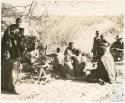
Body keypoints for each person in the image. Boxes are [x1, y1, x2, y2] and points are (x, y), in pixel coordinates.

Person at [1, 17, 24, 94]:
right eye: (18, 22)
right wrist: (12, 37)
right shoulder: (10, 28)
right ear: (16, 22)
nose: (18, 24)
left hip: (16, 52)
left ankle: (11, 87)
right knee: (7, 68)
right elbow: (6, 39)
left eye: (20, 23)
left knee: (15, 68)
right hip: (8, 51)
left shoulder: (21, 30)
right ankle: (6, 87)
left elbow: (21, 42)